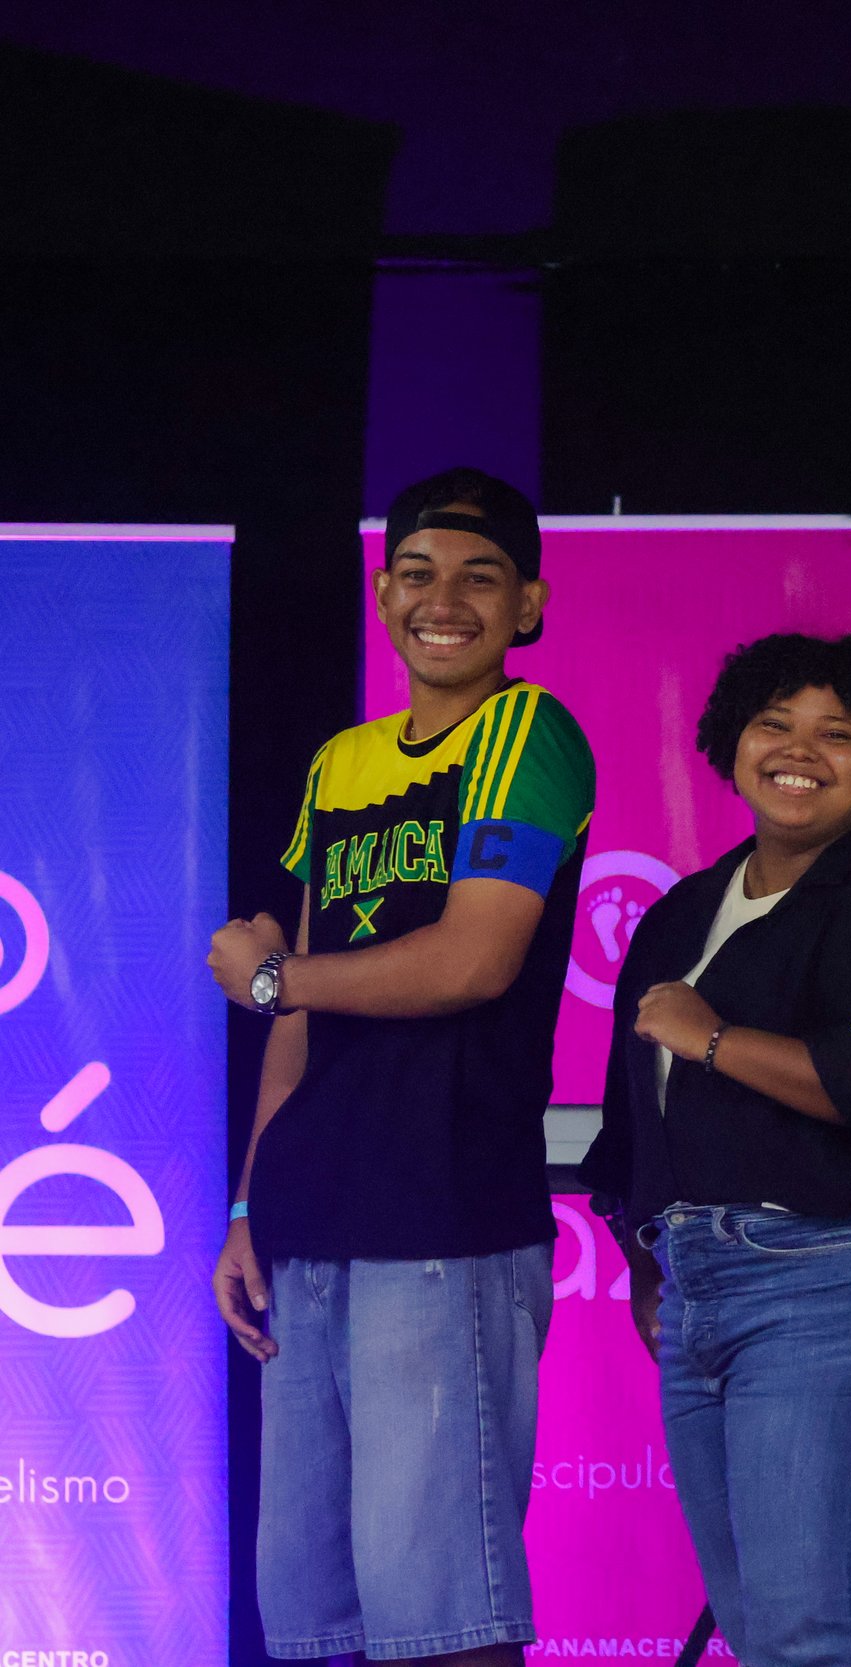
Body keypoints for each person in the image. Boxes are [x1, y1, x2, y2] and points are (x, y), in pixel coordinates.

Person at [207, 467, 594, 1666]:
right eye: (418, 573)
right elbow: (298, 1015)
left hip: (441, 1212)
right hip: (310, 1217)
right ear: (382, 595)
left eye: (481, 576)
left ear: (528, 604)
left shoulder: (529, 732)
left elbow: (472, 959)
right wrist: (247, 1205)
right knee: (314, 1619)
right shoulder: (341, 761)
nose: (445, 600)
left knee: (443, 1621)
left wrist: (274, 978)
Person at [578, 632, 851, 1667]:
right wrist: (645, 1260)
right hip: (701, 1289)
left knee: (812, 1632)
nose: (800, 750)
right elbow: (631, 1127)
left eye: (837, 734)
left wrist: (715, 1037)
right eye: (775, 724)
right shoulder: (680, 914)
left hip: (847, 1274)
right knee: (762, 1635)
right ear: (732, 743)